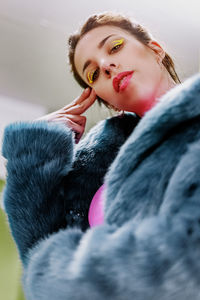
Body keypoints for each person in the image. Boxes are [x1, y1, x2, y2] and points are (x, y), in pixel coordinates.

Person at [2, 12, 200, 300]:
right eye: (92, 73)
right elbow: (37, 257)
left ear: (156, 50)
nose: (106, 65)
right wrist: (34, 156)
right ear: (103, 97)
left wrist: (61, 280)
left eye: (115, 46)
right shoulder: (93, 164)